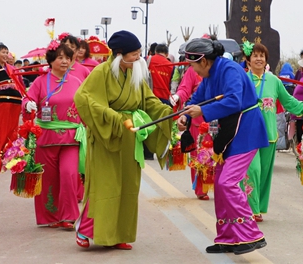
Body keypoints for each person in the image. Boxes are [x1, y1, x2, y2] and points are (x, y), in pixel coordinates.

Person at [73, 31, 173, 250]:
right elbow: (84, 99)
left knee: (128, 185)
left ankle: (119, 233)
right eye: (134, 54)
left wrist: (169, 113)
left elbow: (149, 102)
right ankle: (85, 229)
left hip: (130, 137)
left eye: (139, 54)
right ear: (119, 54)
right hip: (107, 134)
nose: (138, 58)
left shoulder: (135, 73)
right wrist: (114, 118)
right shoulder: (101, 72)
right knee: (105, 184)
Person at [177, 38, 268, 255]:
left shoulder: (230, 70)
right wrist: (186, 116)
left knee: (228, 182)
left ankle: (250, 235)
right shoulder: (208, 76)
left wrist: (202, 112)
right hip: (228, 134)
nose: (193, 70)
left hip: (246, 131)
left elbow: (234, 101)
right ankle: (227, 237)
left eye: (194, 65)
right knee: (219, 184)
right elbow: (197, 100)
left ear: (205, 61)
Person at [242, 42, 303, 217]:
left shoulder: (274, 80)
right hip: (247, 135)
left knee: (265, 174)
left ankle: (258, 209)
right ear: (248, 60)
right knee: (253, 170)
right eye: (255, 56)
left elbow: (288, 101)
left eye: (262, 56)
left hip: (269, 134)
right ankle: (249, 208)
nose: (259, 59)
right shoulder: (242, 79)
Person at [23, 41, 85, 228]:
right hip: (46, 137)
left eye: (68, 57)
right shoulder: (40, 82)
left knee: (69, 174)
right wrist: (27, 104)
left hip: (71, 138)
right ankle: (51, 217)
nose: (65, 61)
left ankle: (68, 216)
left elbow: (87, 104)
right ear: (50, 61)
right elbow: (28, 98)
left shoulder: (77, 82)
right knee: (49, 179)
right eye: (60, 57)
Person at [169, 54, 206, 199]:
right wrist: (178, 96)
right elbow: (185, 88)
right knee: (198, 153)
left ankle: (216, 184)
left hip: (216, 117)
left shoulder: (217, 71)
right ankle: (201, 188)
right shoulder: (192, 71)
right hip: (197, 118)